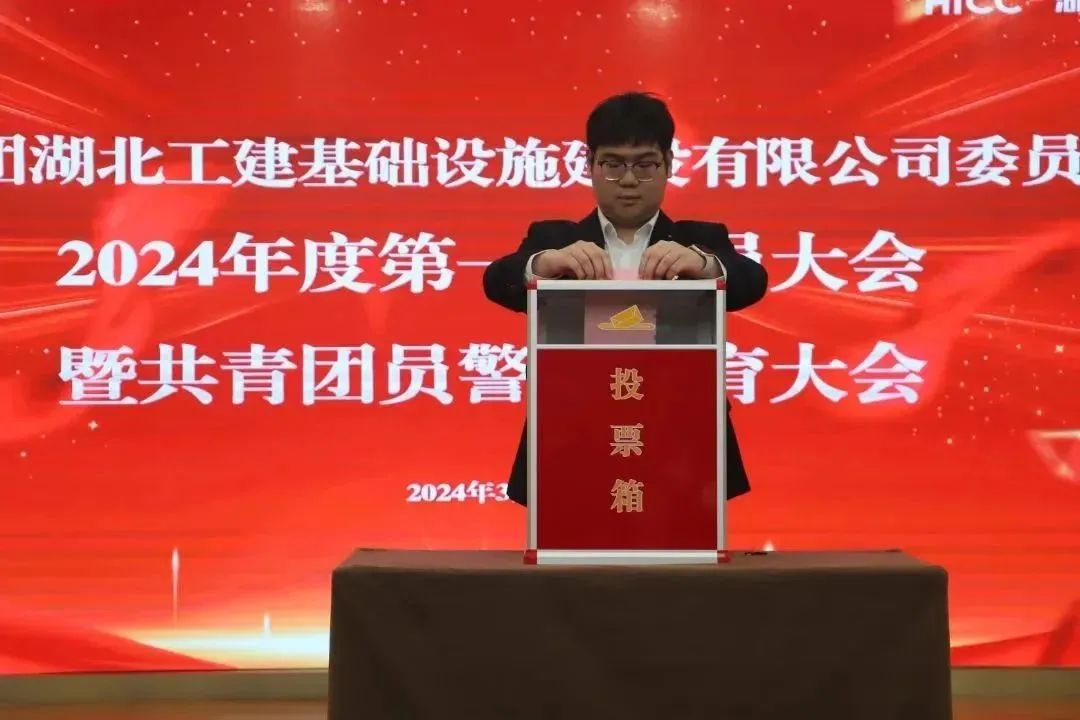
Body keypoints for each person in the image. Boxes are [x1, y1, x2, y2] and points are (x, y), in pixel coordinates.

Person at [483, 91, 768, 506]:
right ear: (590, 165)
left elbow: (751, 281)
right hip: (572, 442)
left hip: (683, 447)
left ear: (668, 164)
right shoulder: (554, 238)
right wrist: (542, 263)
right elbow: (497, 281)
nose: (629, 180)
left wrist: (705, 265)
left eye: (645, 165)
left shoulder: (699, 239)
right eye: (614, 164)